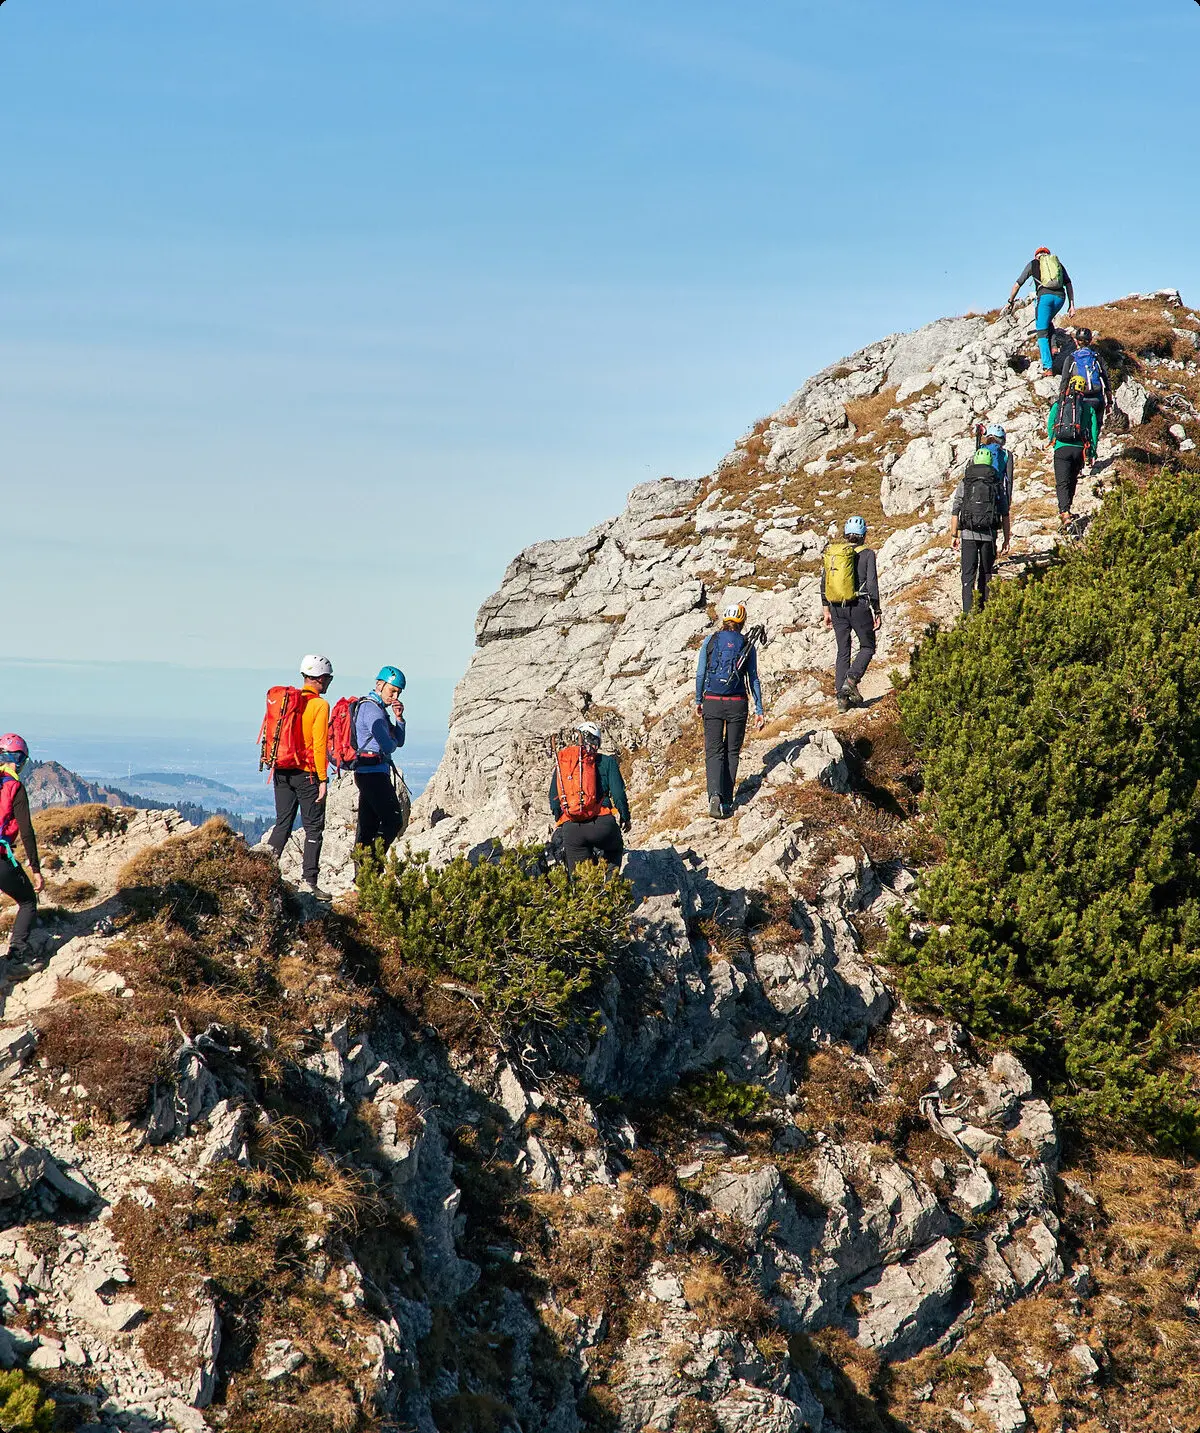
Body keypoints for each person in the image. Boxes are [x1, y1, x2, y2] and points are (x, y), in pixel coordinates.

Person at [266, 654, 333, 899]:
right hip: (306, 773)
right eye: (328, 678)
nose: (328, 683)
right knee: (313, 829)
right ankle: (309, 882)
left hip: (281, 770)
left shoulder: (288, 703)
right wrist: (323, 779)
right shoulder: (320, 705)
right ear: (321, 679)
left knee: (282, 823)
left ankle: (263, 870)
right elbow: (318, 745)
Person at [695, 603, 765, 818]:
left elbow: (700, 674)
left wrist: (699, 699)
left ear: (724, 620)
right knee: (731, 752)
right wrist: (759, 709)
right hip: (738, 703)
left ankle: (714, 795)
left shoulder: (711, 640)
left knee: (714, 752)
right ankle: (727, 800)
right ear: (742, 623)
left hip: (713, 701)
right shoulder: (747, 644)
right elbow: (753, 679)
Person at [549, 721, 631, 875]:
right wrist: (625, 817)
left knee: (581, 880)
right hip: (602, 824)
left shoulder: (564, 764)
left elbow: (553, 799)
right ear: (597, 742)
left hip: (572, 827)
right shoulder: (607, 762)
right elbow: (619, 794)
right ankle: (610, 888)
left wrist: (563, 818)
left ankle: (590, 895)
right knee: (614, 850)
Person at [821, 518, 882, 714]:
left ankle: (842, 700)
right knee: (867, 645)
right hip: (858, 606)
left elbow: (824, 583)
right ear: (864, 535)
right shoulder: (868, 554)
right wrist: (877, 610)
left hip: (836, 607)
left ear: (846, 534)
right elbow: (872, 584)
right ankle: (851, 679)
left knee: (843, 651)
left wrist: (826, 609)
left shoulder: (835, 554)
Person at [353, 665, 407, 858]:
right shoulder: (372, 710)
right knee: (393, 821)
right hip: (374, 774)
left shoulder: (377, 709)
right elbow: (389, 745)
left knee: (368, 826)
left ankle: (363, 878)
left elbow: (398, 741)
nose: (395, 696)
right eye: (392, 690)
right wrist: (390, 740)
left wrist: (399, 718)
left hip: (368, 773)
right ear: (380, 684)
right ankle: (373, 866)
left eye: (398, 692)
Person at [950, 446, 1011, 613]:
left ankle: (967, 614)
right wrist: (1006, 538)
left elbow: (956, 508)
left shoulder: (966, 481)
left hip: (968, 533)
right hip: (989, 535)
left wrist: (954, 534)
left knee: (968, 576)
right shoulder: (996, 482)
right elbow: (1005, 513)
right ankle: (984, 611)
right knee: (986, 573)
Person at [0, 736, 44, 964]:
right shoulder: (14, 787)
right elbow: (26, 831)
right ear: (18, 760)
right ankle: (17, 957)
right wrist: (35, 869)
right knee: (27, 902)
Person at [1006, 247, 1076, 371]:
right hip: (1060, 298)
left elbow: (1018, 284)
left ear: (1036, 256)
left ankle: (1048, 367)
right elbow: (1069, 284)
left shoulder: (1033, 264)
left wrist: (1010, 301)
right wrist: (1071, 305)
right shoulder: (1057, 264)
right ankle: (1054, 347)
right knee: (1047, 320)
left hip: (1045, 298)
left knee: (1041, 332)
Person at [1047, 388, 1099, 529]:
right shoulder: (1088, 408)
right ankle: (1067, 508)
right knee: (1072, 479)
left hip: (1061, 448)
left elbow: (1050, 423)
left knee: (1062, 482)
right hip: (1078, 449)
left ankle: (1064, 512)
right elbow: (1093, 430)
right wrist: (1092, 452)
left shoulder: (1059, 405)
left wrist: (1053, 440)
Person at [1059, 328, 1112, 460]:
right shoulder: (1096, 357)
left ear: (1076, 341)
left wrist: (1062, 400)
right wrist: (1109, 401)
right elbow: (1106, 379)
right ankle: (1092, 453)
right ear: (1090, 341)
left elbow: (1065, 380)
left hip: (1079, 398)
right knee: (1096, 426)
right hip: (1097, 398)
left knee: (1079, 425)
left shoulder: (1071, 358)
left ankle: (1080, 456)